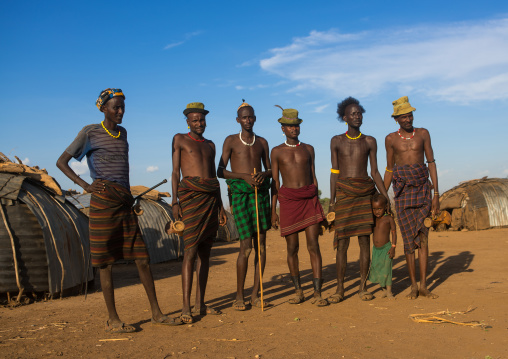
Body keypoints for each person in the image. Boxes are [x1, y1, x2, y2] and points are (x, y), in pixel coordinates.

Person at [56, 88, 181, 333]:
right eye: (116, 107)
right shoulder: (89, 132)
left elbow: (122, 169)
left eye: (123, 107)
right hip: (103, 202)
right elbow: (62, 162)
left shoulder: (123, 133)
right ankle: (113, 319)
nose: (121, 112)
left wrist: (130, 195)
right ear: (104, 108)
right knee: (105, 263)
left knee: (143, 258)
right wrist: (85, 185)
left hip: (125, 201)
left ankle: (156, 313)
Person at [328, 97, 391, 303]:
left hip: (365, 193)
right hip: (345, 194)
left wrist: (385, 196)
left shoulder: (369, 141)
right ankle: (339, 290)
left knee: (365, 242)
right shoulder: (336, 141)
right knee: (342, 244)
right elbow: (335, 172)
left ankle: (362, 288)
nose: (357, 116)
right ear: (344, 118)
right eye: (353, 114)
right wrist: (332, 202)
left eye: (359, 113)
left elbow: (374, 171)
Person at [171, 102, 227, 323]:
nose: (199, 123)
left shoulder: (211, 145)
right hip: (191, 199)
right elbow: (175, 172)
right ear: (187, 122)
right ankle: (186, 307)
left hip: (210, 200)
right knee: (190, 251)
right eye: (194, 120)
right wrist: (175, 201)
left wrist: (221, 207)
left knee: (205, 252)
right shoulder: (180, 139)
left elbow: (213, 179)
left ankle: (200, 303)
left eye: (202, 119)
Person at [271, 106, 328, 307]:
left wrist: (319, 206)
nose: (293, 129)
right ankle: (298, 291)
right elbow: (275, 183)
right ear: (283, 129)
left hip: (309, 199)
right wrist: (274, 211)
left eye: (296, 125)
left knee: (314, 245)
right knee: (292, 248)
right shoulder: (276, 151)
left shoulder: (309, 149)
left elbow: (314, 177)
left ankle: (317, 292)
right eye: (289, 126)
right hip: (288, 202)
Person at [217, 101, 271, 311]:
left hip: (260, 195)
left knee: (262, 246)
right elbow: (220, 171)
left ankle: (256, 294)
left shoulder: (262, 142)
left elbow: (271, 170)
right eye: (244, 117)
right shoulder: (230, 141)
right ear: (238, 120)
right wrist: (244, 177)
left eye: (251, 117)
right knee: (246, 247)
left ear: (255, 119)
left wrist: (262, 175)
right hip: (240, 194)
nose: (248, 120)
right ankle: (239, 296)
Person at [383, 96, 439, 299]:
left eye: (410, 115)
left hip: (423, 189)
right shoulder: (390, 139)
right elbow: (390, 169)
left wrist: (437, 194)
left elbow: (431, 162)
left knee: (423, 238)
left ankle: (424, 285)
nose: (408, 119)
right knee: (408, 241)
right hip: (403, 193)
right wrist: (382, 195)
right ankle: (413, 286)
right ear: (396, 119)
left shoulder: (423, 134)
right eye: (404, 116)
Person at [368, 193, 397, 299]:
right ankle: (383, 289)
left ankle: (389, 291)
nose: (377, 211)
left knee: (387, 269)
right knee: (378, 268)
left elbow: (394, 233)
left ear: (385, 207)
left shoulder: (388, 219)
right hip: (376, 249)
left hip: (386, 248)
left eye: (379, 208)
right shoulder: (373, 219)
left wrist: (393, 247)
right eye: (374, 209)